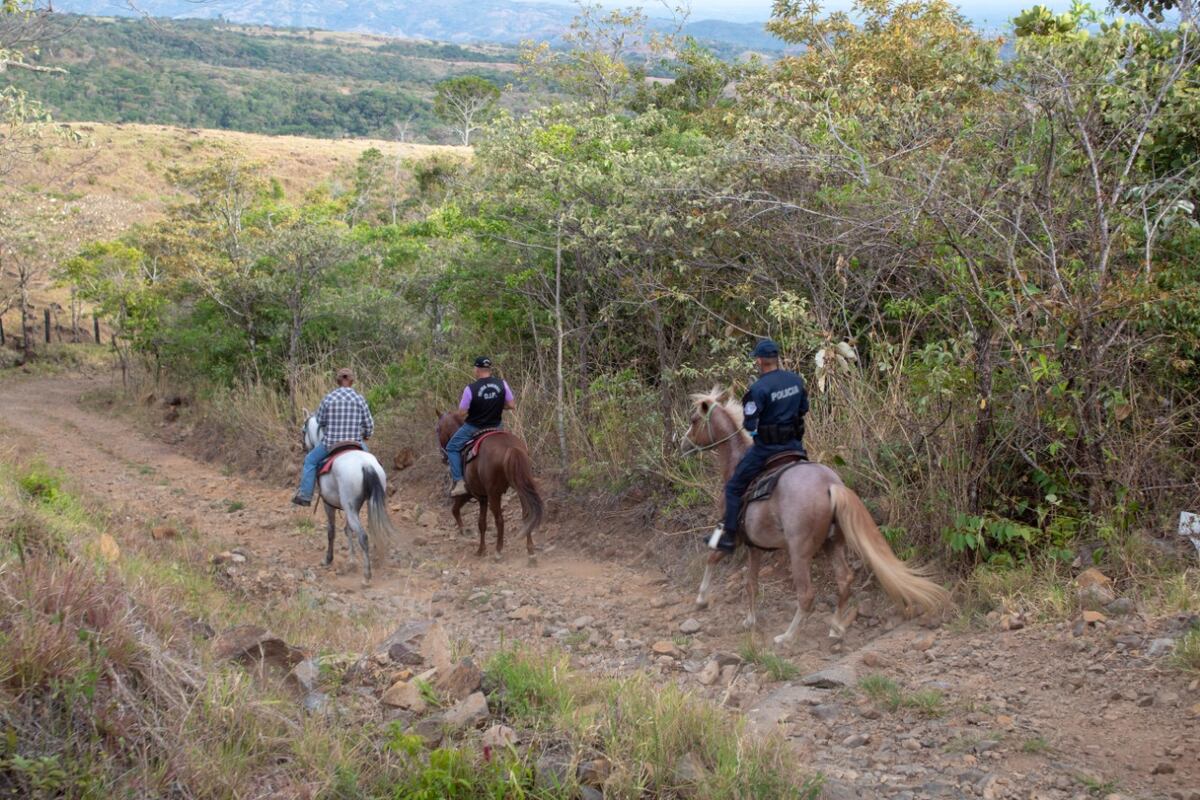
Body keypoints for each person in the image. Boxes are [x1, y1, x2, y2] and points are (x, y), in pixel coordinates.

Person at [708, 339, 809, 553]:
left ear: (760, 361)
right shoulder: (796, 380)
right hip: (795, 447)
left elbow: (750, 424)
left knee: (734, 487)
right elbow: (804, 408)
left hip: (768, 450)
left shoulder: (758, 388)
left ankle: (728, 537)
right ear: (777, 359)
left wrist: (759, 431)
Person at [292, 367, 374, 506]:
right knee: (373, 463)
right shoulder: (360, 399)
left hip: (331, 443)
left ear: (337, 381)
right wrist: (366, 435)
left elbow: (320, 422)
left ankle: (305, 496)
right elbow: (369, 425)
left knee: (310, 461)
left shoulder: (328, 398)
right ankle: (378, 491)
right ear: (352, 381)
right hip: (356, 443)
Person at [447, 356, 515, 497]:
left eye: (474, 369)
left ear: (477, 370)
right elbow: (511, 405)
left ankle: (459, 482)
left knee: (451, 448)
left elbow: (461, 413)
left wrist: (476, 408)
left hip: (474, 427)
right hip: (497, 426)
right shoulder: (502, 384)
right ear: (489, 369)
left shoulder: (470, 389)